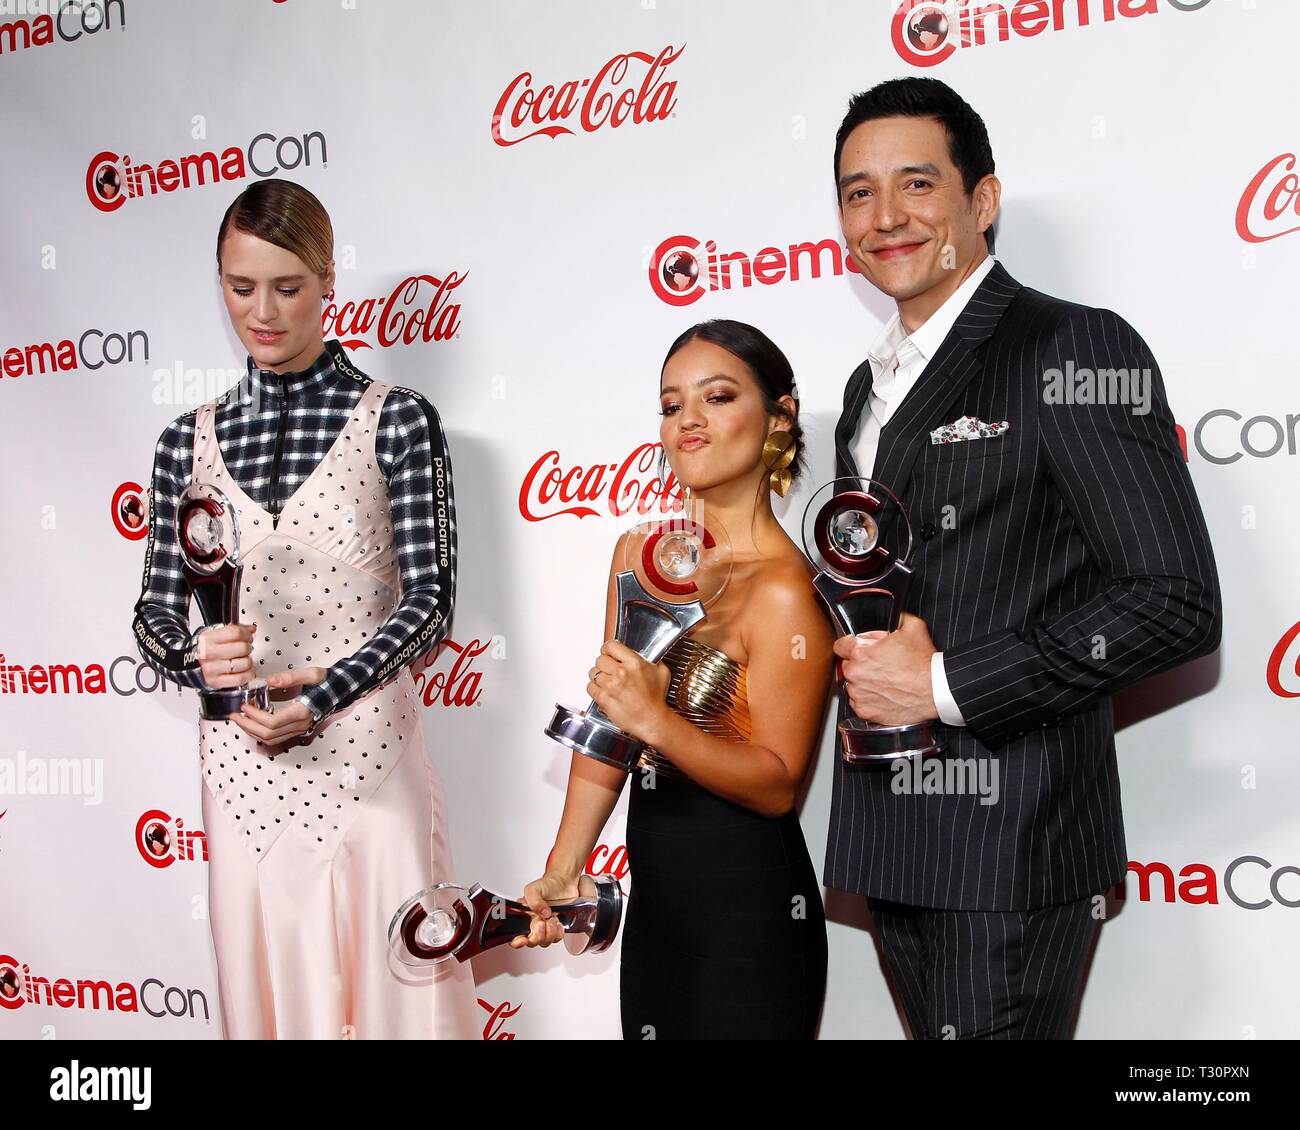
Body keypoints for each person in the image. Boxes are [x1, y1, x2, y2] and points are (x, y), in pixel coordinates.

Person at [826, 77, 1222, 1039]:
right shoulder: (862, 388)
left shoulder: (1072, 343)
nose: (885, 217)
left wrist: (946, 684)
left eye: (916, 184)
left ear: (983, 201)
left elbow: (1174, 600)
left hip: (1013, 840)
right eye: (857, 191)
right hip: (890, 839)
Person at [131, 178, 476, 1039]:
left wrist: (324, 695)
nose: (264, 312)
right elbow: (155, 614)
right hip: (242, 776)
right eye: (241, 287)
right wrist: (192, 661)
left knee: (404, 1000)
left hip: (367, 756)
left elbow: (431, 603)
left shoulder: (398, 420)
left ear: (328, 281)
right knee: (270, 1004)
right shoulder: (186, 441)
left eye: (288, 288)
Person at [515, 320, 834, 1040]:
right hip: (659, 910)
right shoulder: (639, 554)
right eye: (670, 404)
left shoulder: (788, 590)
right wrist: (565, 868)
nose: (687, 419)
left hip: (751, 914)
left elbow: (779, 782)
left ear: (779, 416)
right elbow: (608, 726)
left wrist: (658, 721)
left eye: (717, 397)